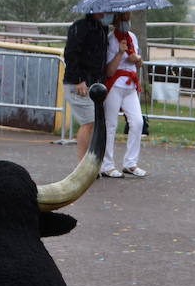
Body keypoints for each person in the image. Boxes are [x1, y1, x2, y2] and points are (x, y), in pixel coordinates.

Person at [100, 13, 148, 178]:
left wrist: (137, 59)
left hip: (130, 85)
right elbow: (109, 71)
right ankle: (107, 164)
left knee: (137, 122)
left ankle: (130, 163)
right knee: (110, 125)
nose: (126, 23)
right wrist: (120, 53)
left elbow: (139, 64)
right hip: (115, 85)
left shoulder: (132, 37)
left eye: (128, 20)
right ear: (116, 22)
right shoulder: (110, 40)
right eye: (123, 20)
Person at [62, 11, 110, 160]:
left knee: (92, 123)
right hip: (79, 83)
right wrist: (79, 79)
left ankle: (88, 160)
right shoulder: (80, 27)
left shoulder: (101, 29)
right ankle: (82, 162)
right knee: (89, 122)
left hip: (93, 82)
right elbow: (71, 54)